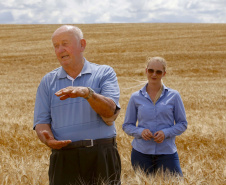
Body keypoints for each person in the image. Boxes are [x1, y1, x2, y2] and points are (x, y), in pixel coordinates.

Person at [33, 25, 121, 185]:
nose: (60, 50)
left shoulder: (104, 73)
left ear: (82, 45)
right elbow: (41, 122)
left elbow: (110, 111)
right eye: (56, 46)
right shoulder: (47, 81)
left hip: (101, 154)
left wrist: (87, 93)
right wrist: (47, 138)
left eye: (65, 43)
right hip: (64, 158)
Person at [122, 57, 187, 177]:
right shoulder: (135, 97)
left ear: (164, 74)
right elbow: (127, 125)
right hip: (141, 153)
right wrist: (141, 132)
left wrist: (166, 133)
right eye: (151, 70)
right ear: (146, 71)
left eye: (158, 72)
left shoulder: (174, 96)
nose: (154, 74)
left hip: (167, 153)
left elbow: (182, 124)